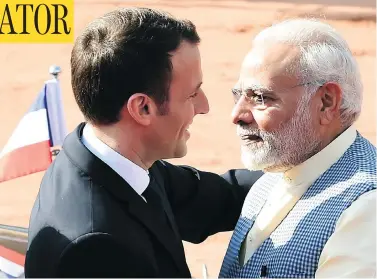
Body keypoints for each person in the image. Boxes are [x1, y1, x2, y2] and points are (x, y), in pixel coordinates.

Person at [24, 7, 263, 278]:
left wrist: (305, 176)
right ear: (143, 108)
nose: (204, 106)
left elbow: (216, 198)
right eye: (192, 94)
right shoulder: (95, 248)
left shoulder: (111, 156)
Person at [219, 18, 376, 278]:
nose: (237, 115)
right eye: (238, 96)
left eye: (260, 98)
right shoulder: (273, 177)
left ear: (326, 102)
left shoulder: (367, 210)